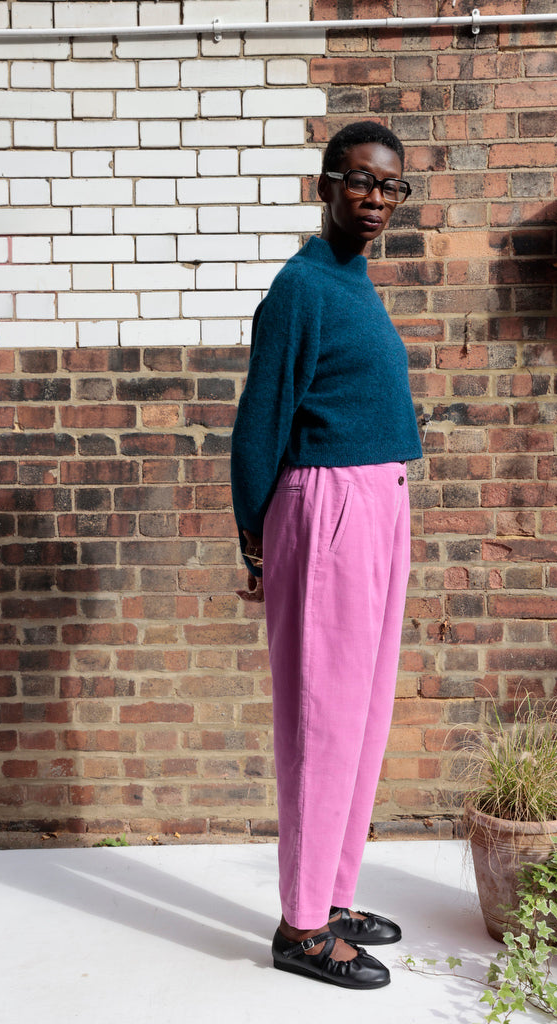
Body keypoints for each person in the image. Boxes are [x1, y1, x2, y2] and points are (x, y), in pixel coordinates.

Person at [230, 121, 423, 990]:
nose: (376, 198)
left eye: (390, 186)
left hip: (378, 503)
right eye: (360, 180)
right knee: (323, 719)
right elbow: (259, 422)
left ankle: (331, 894)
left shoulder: (354, 281)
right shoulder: (301, 288)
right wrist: (255, 537)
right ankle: (301, 927)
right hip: (327, 508)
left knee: (365, 713)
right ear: (325, 185)